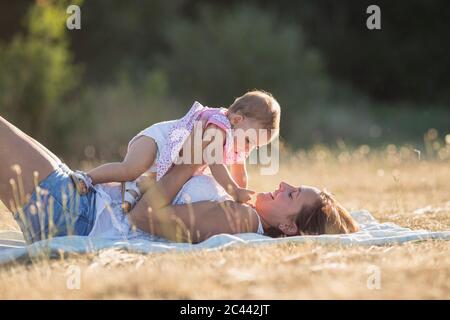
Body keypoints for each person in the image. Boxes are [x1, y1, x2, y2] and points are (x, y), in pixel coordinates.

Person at [0, 114, 359, 245]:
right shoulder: (242, 207)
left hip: (77, 213)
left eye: (292, 195)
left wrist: (189, 163)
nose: (283, 185)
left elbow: (145, 218)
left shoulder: (241, 220)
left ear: (290, 227)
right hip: (77, 204)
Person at [71, 90, 281, 212]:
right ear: (237, 120)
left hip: (172, 159)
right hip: (159, 140)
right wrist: (233, 190)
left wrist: (241, 199)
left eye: (255, 146)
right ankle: (86, 177)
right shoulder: (220, 124)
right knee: (132, 168)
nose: (249, 148)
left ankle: (134, 190)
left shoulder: (237, 143)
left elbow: (240, 174)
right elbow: (215, 161)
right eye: (248, 140)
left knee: (158, 184)